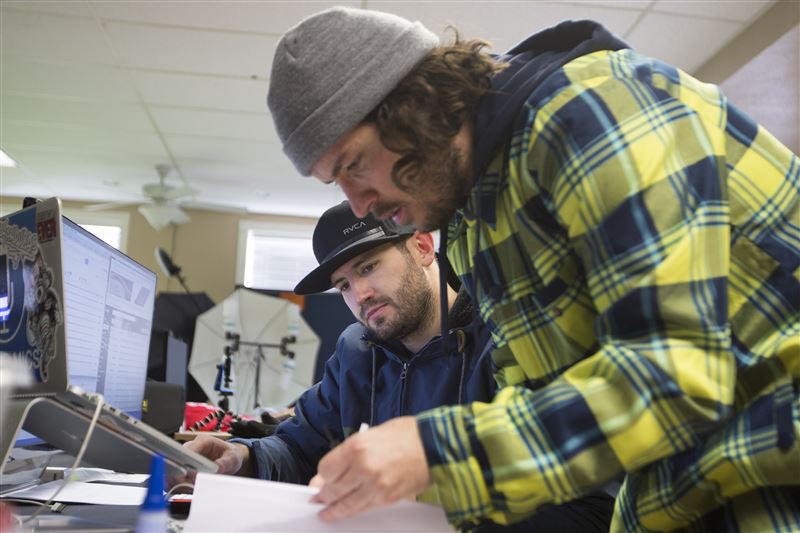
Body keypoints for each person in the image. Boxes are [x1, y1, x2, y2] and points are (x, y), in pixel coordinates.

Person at [265, 7, 800, 532]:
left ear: (413, 106)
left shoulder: (593, 111)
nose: (358, 204)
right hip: (681, 493)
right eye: (336, 182)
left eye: (354, 165)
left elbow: (675, 376)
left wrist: (437, 452)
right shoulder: (473, 222)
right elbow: (539, 395)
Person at [181, 202, 497, 486]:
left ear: (422, 246)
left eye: (368, 267)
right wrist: (241, 456)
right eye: (343, 285)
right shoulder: (356, 351)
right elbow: (298, 447)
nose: (360, 295)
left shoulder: (497, 340)